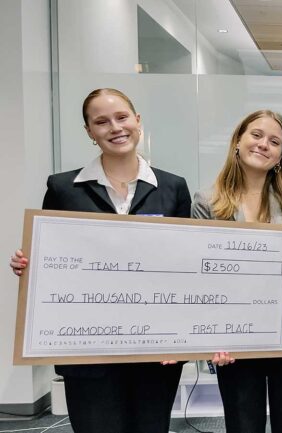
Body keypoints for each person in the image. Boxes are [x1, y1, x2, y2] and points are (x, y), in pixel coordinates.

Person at [9, 88, 191, 433]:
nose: (115, 127)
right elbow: (51, 259)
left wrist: (180, 336)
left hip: (153, 347)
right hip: (87, 348)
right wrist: (30, 265)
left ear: (137, 120)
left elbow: (181, 268)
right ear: (89, 132)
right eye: (101, 121)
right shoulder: (64, 188)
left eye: (122, 117)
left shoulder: (173, 187)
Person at [191, 110, 282, 433]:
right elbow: (199, 276)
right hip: (236, 334)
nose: (264, 145)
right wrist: (211, 337)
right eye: (256, 135)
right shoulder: (207, 202)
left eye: (274, 142)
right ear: (238, 141)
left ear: (281, 156)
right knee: (243, 424)